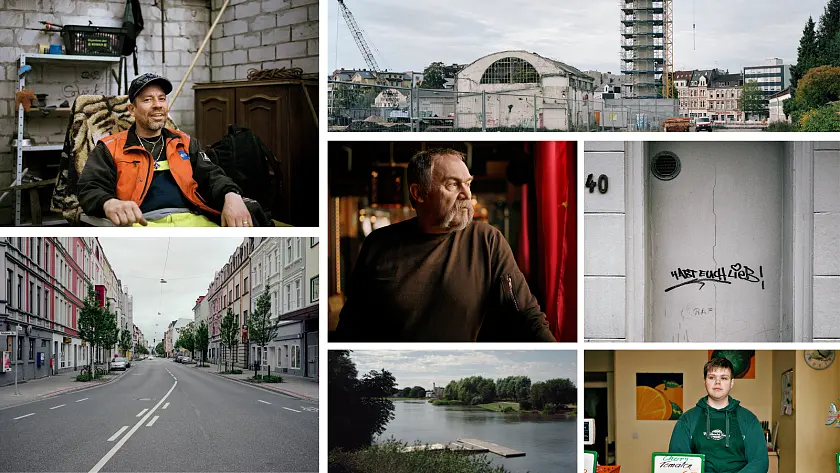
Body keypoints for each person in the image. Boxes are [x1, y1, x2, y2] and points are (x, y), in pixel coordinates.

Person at [334, 148, 556, 342]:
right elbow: (351, 327)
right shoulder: (379, 244)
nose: (466, 194)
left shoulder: (487, 240)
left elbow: (528, 316)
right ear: (418, 193)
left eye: (468, 183)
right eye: (453, 184)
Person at [77, 73, 254, 227]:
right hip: (142, 224)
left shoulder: (185, 142)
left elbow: (212, 176)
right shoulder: (109, 147)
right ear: (132, 109)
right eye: (147, 100)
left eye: (161, 99)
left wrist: (231, 194)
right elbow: (90, 189)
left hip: (195, 221)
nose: (157, 105)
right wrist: (109, 203)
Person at [668, 357, 769, 473]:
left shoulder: (748, 419)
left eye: (724, 378)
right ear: (704, 381)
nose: (717, 382)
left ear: (731, 383)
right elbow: (677, 462)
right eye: (711, 377)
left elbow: (760, 462)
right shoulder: (687, 420)